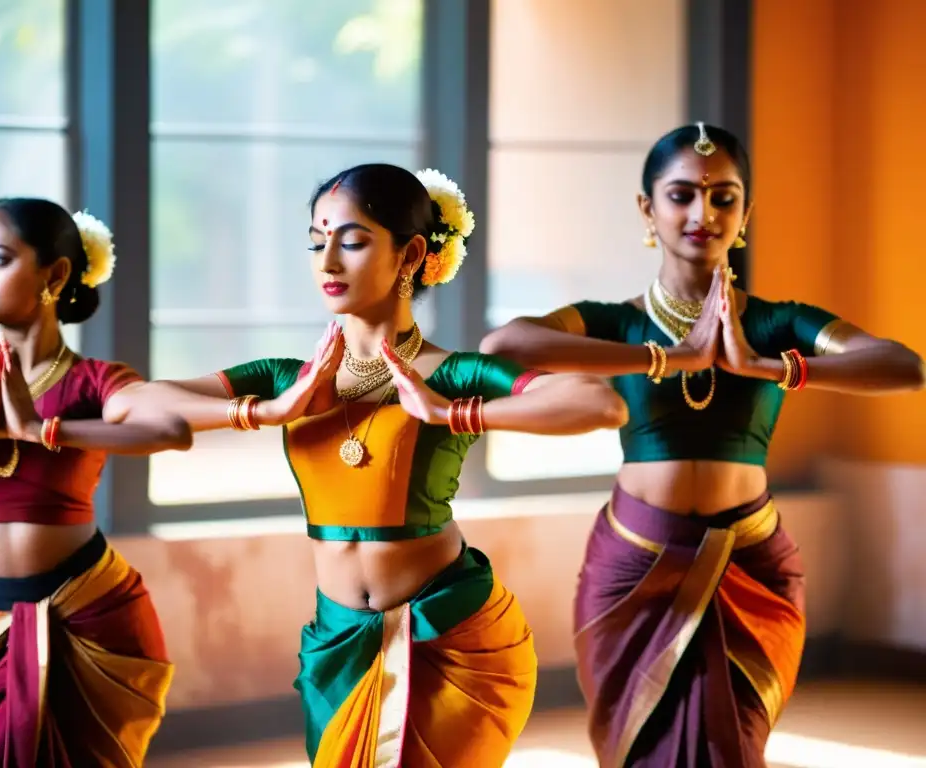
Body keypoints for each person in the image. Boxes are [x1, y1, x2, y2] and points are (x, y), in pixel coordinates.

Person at [122, 163, 628, 767]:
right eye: (317, 241)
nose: (327, 261)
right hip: (338, 639)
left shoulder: (452, 373)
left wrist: (454, 414)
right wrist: (267, 410)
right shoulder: (287, 379)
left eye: (352, 241)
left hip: (449, 635)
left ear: (412, 253)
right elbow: (132, 402)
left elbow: (599, 403)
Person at [479, 123, 925, 767]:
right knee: (636, 748)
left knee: (733, 748)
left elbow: (902, 366)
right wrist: (663, 356)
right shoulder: (615, 322)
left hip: (749, 564)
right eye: (681, 194)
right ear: (647, 209)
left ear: (746, 212)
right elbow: (505, 344)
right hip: (633, 564)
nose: (702, 213)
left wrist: (772, 367)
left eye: (724, 198)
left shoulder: (776, 324)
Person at [0, 198, 191, 767]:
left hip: (83, 615)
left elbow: (171, 429)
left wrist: (42, 430)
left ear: (55, 275)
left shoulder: (93, 381)